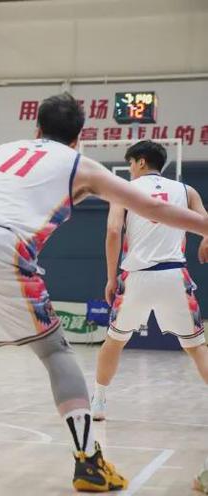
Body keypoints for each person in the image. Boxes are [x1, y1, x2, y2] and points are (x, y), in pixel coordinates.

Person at [0, 93, 208, 492]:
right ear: (78, 138)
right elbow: (154, 210)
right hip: (1, 246)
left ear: (37, 128)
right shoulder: (81, 165)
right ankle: (89, 462)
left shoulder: (4, 150)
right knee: (55, 350)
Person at [91, 141, 207, 421]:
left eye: (130, 163)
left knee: (114, 341)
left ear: (141, 161)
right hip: (174, 275)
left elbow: (113, 231)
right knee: (196, 347)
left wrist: (111, 278)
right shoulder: (186, 191)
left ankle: (99, 401)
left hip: (136, 277)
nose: (130, 169)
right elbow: (205, 222)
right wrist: (205, 239)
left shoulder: (123, 190)